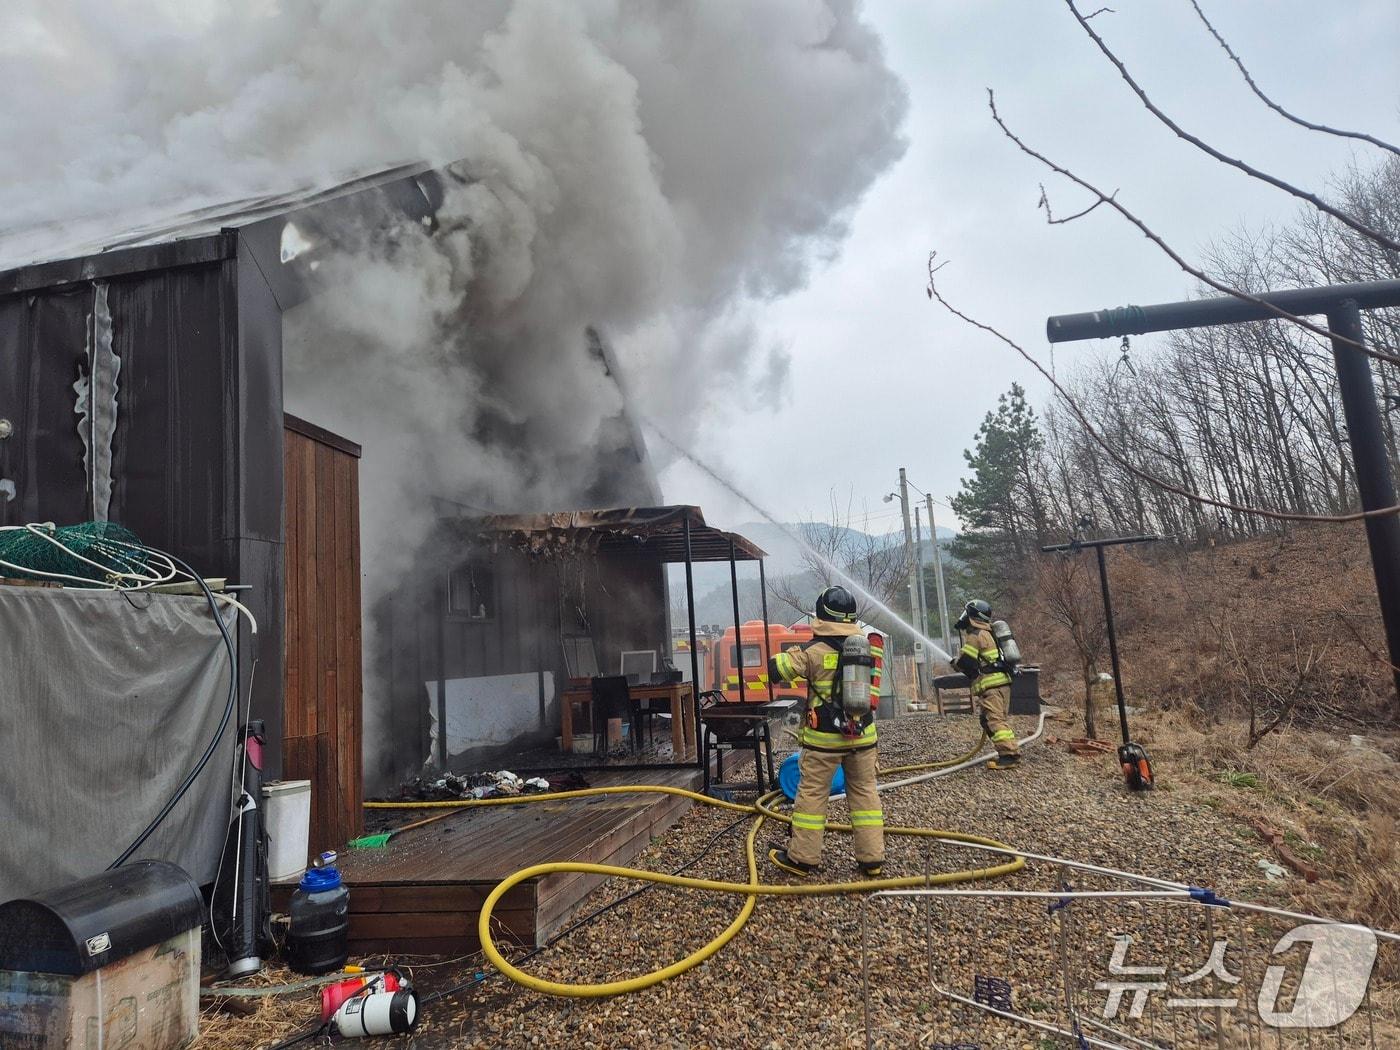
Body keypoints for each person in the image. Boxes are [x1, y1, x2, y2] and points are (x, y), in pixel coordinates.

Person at [766, 585, 885, 877]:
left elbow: (775, 670)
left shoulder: (813, 652)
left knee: (812, 795)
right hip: (863, 736)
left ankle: (802, 859)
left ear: (821, 614)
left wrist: (794, 651)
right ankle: (872, 860)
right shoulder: (866, 647)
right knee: (865, 794)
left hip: (824, 742)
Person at [953, 599, 1020, 769]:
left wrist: (955, 663)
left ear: (973, 616)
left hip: (992, 687)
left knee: (995, 721)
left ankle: (1009, 756)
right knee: (987, 720)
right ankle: (1008, 751)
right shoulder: (989, 632)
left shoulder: (975, 635)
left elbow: (967, 663)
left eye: (967, 614)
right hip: (1001, 684)